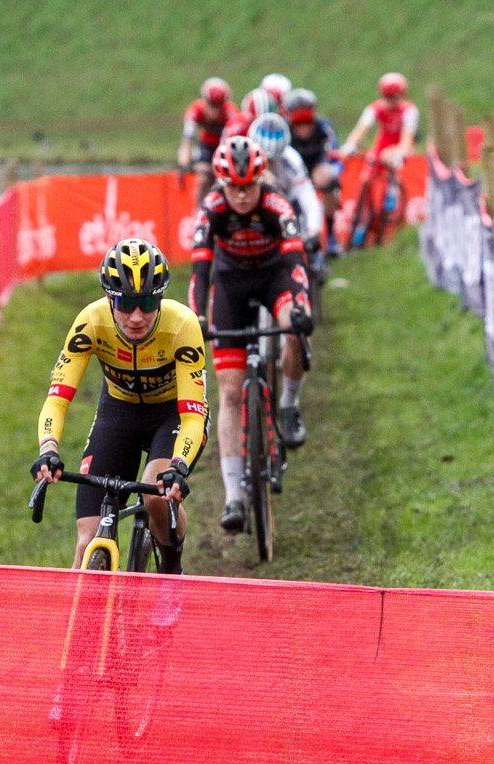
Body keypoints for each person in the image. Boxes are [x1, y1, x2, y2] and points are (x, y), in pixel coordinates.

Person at [33, 237, 207, 575]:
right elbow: (57, 399)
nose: (137, 316)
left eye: (146, 302)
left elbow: (192, 416)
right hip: (118, 414)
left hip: (171, 415)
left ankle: (172, 571)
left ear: (160, 298)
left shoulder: (183, 326)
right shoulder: (91, 322)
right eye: (126, 304)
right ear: (109, 300)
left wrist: (179, 466)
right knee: (85, 544)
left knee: (156, 494)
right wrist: (48, 449)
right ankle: (80, 626)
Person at [188, 136, 313, 534]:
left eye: (249, 187)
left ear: (261, 180)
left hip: (274, 275)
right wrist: (196, 318)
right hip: (231, 284)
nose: (242, 196)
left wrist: (299, 307)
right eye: (233, 188)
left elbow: (295, 262)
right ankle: (233, 495)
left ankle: (289, 404)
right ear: (222, 185)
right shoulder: (212, 209)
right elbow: (199, 272)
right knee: (228, 392)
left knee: (294, 327)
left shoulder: (277, 204)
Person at [247, 112, 323, 249]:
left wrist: (313, 230)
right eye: (264, 159)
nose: (268, 165)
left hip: (287, 207)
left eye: (272, 160)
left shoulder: (291, 159)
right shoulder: (245, 160)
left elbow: (306, 195)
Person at [284, 87, 343, 256]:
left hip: (317, 167)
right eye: (299, 123)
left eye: (306, 122)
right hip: (293, 172)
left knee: (327, 180)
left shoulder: (324, 127)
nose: (303, 129)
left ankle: (331, 236)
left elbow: (335, 154)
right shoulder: (285, 131)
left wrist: (335, 175)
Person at [178, 77, 240, 208]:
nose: (215, 112)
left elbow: (234, 141)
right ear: (204, 101)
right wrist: (183, 164)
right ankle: (198, 212)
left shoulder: (230, 113)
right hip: (206, 145)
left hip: (225, 146)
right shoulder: (195, 111)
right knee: (202, 179)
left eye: (219, 106)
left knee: (225, 180)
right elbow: (187, 140)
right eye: (211, 105)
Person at [338, 72, 419, 168]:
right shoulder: (375, 108)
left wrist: (398, 153)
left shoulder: (409, 110)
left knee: (397, 165)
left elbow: (406, 140)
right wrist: (351, 144)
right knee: (367, 168)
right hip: (382, 146)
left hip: (402, 149)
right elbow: (361, 128)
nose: (391, 101)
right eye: (388, 96)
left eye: (394, 97)